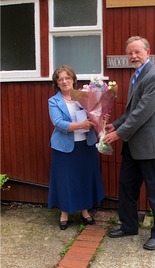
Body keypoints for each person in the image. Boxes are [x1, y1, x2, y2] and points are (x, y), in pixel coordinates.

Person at [103, 36, 155, 250]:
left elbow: (142, 113)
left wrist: (119, 133)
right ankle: (129, 226)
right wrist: (114, 125)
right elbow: (132, 111)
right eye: (130, 53)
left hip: (151, 146)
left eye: (137, 52)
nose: (133, 56)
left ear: (148, 52)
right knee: (127, 186)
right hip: (133, 145)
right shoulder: (136, 75)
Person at [48, 65, 104, 230]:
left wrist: (100, 118)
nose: (65, 81)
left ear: (73, 79)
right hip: (64, 148)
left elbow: (95, 115)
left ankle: (85, 211)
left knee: (84, 178)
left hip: (86, 146)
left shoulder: (84, 96)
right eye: (60, 79)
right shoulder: (53, 101)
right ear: (57, 83)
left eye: (68, 78)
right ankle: (64, 213)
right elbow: (58, 123)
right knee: (65, 181)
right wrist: (81, 124)